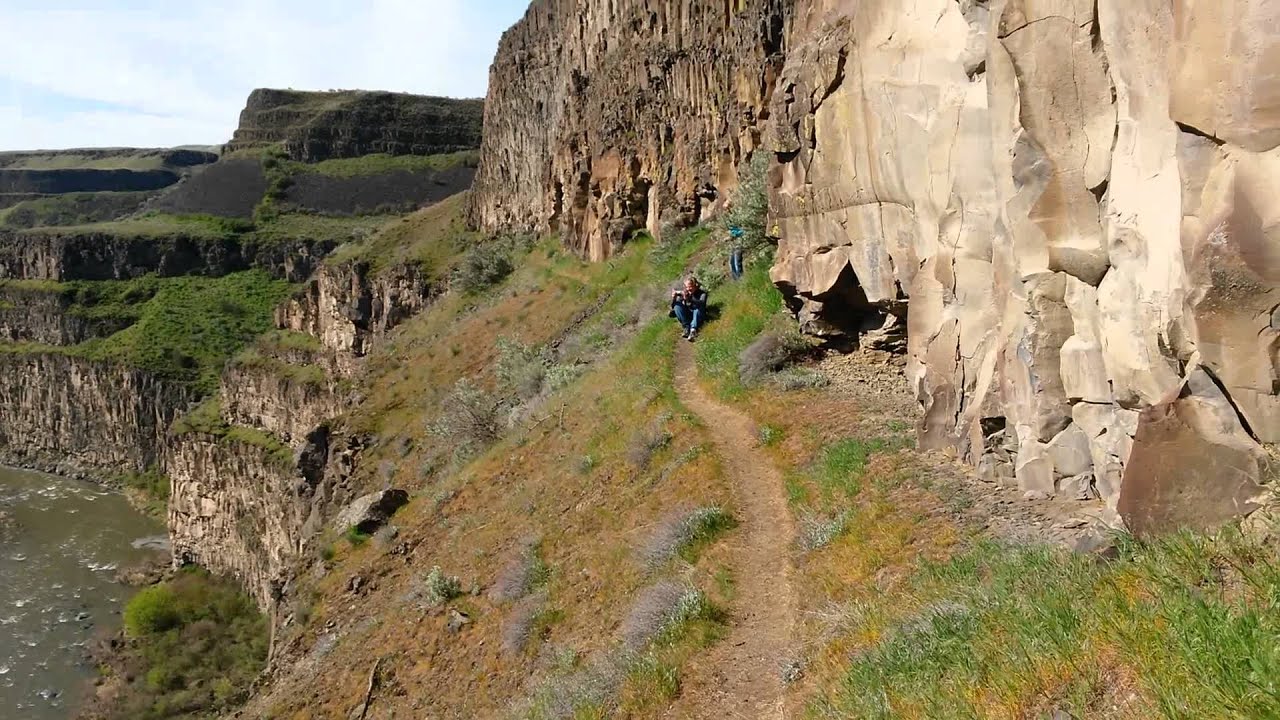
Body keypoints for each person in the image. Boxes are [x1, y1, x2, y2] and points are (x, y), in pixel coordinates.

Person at [670, 276, 708, 341]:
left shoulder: (702, 293)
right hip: (689, 315)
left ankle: (693, 330)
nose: (688, 289)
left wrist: (690, 298)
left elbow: (702, 303)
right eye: (686, 287)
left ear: (695, 286)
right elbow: (674, 306)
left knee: (697, 308)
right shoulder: (685, 293)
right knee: (677, 306)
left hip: (698, 315)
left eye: (690, 287)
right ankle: (687, 328)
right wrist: (674, 298)